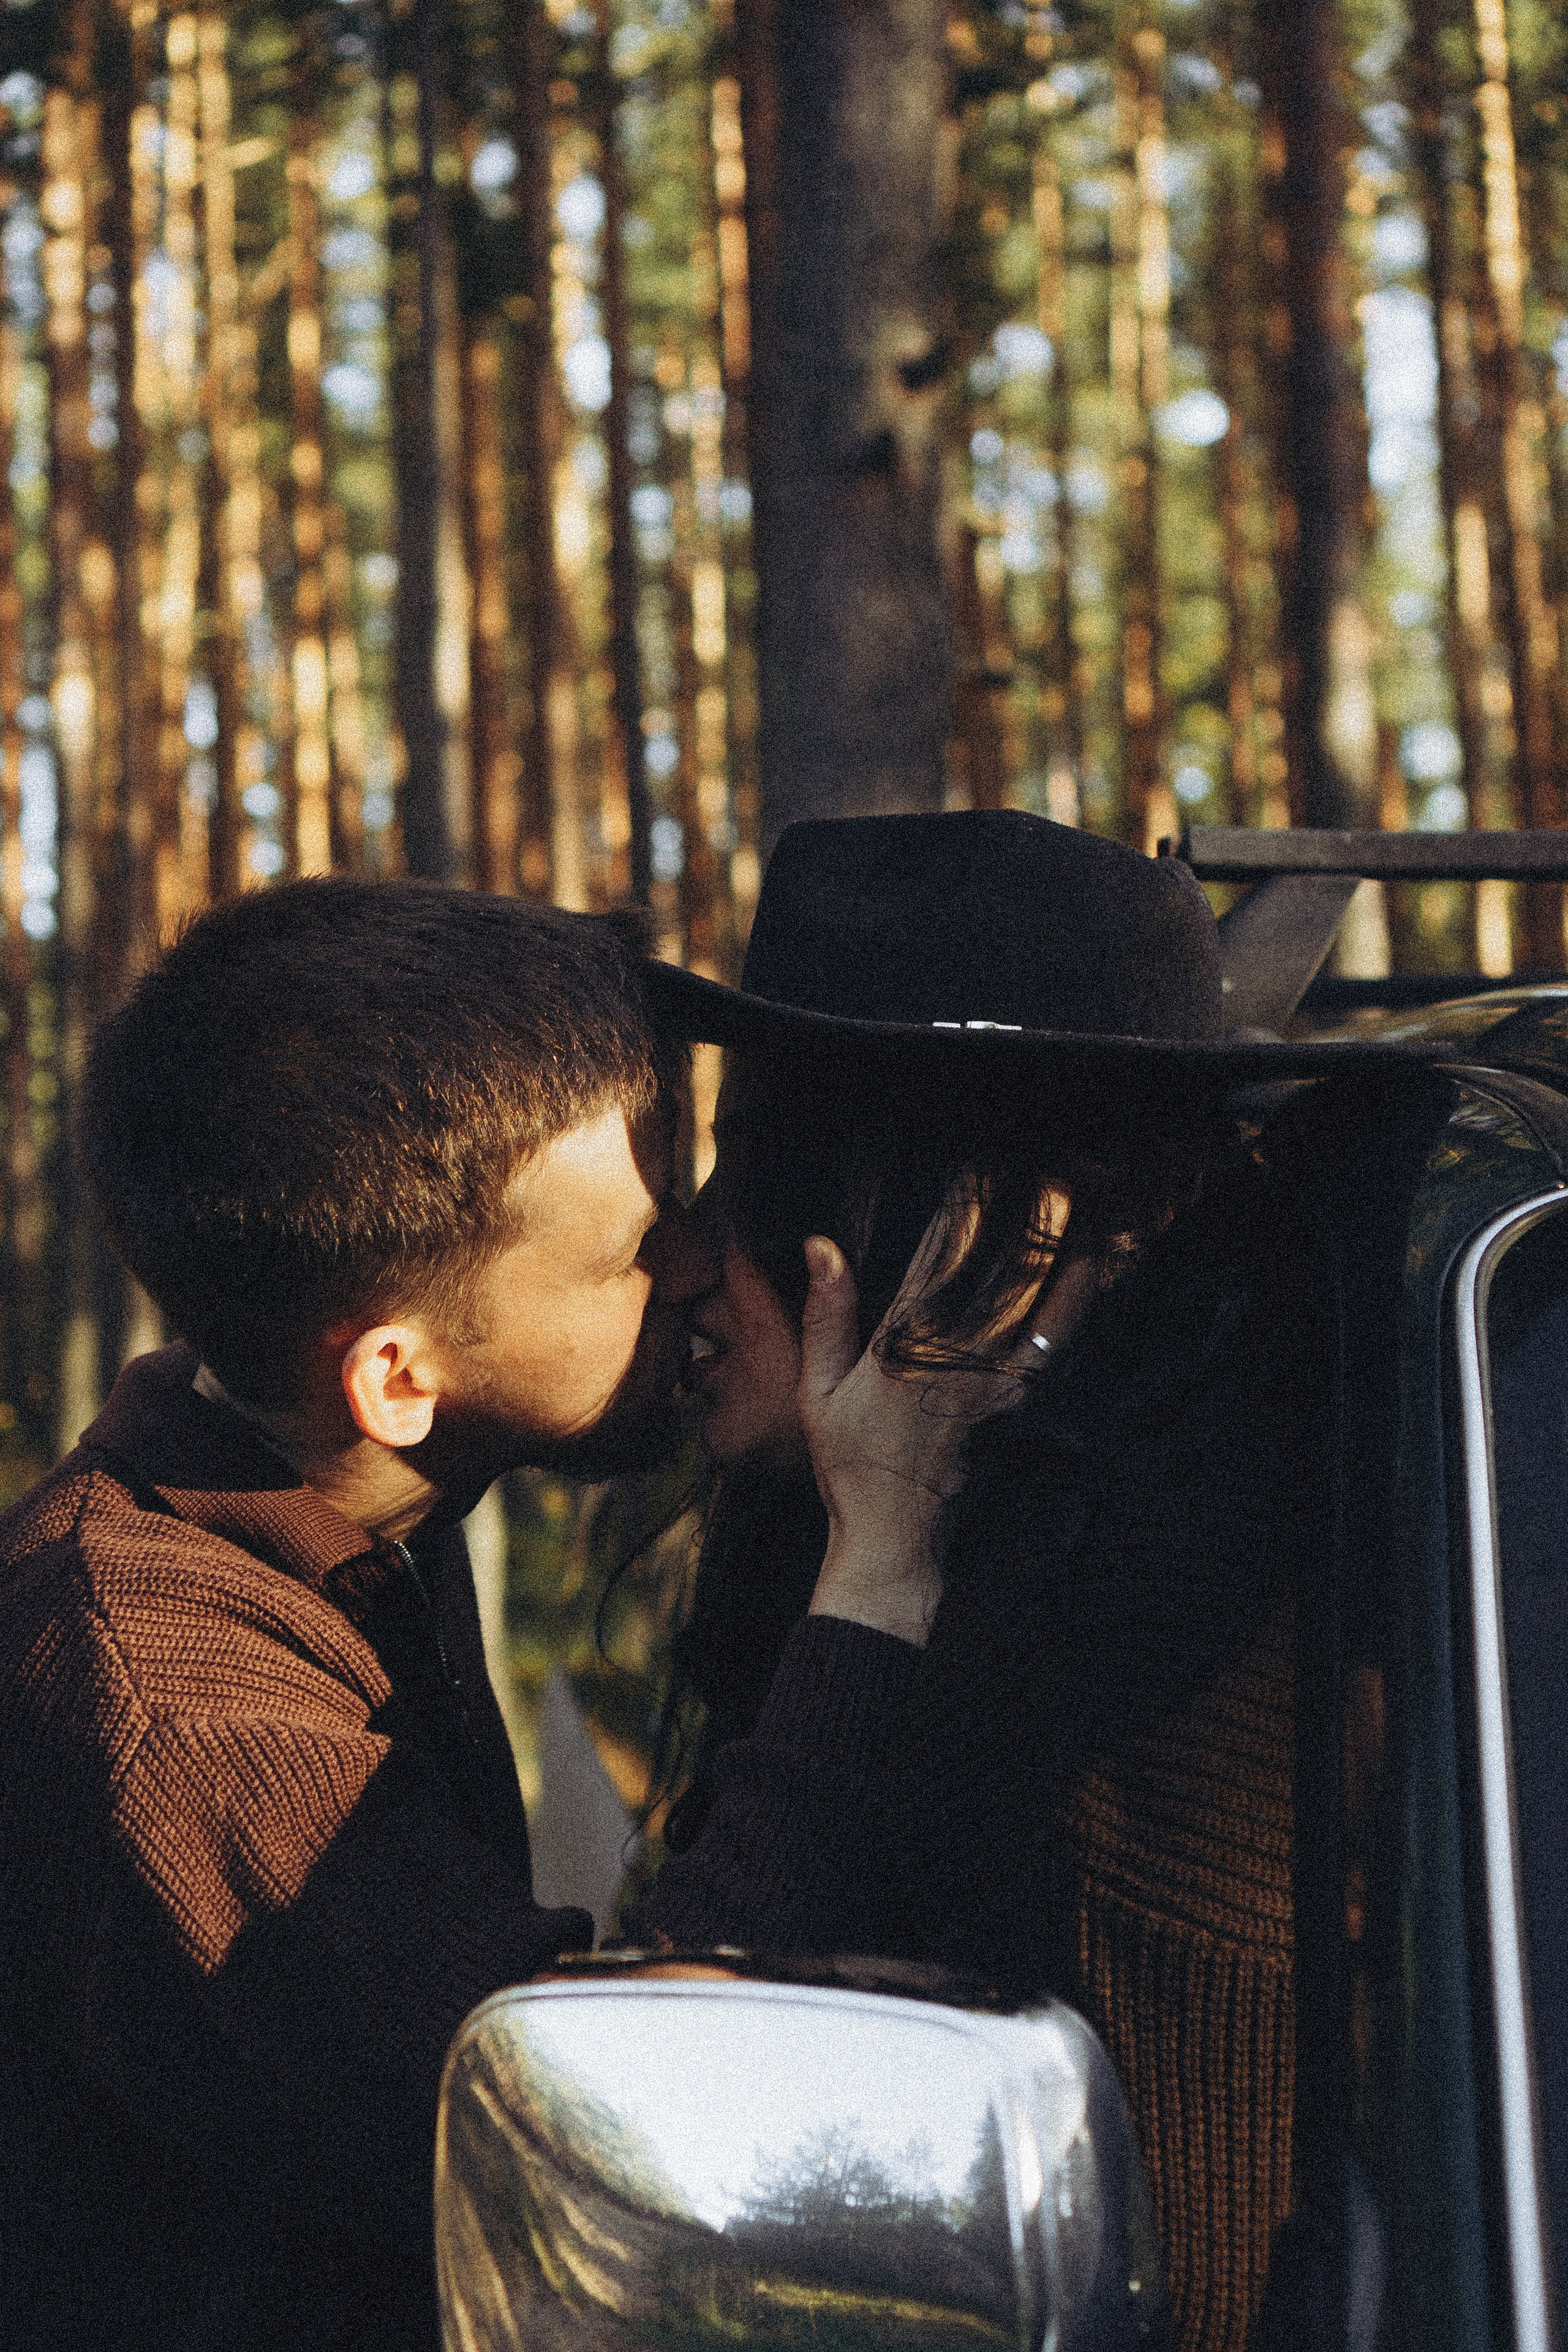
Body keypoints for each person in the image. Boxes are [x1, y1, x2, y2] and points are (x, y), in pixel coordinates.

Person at [630, 812, 1343, 2352]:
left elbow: (680, 2151)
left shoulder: (1196, 1687)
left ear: (997, 1228)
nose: (680, 1257)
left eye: (751, 1176)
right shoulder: (866, 1549)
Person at [0, 880, 714, 2352]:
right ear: (399, 1377)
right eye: (639, 1250)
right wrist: (878, 1578)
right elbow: (616, 2159)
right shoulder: (174, 1707)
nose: (705, 1270)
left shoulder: (339, 1516)